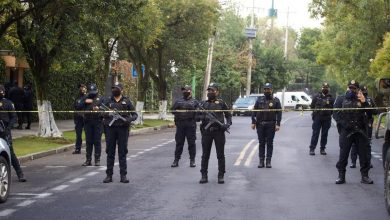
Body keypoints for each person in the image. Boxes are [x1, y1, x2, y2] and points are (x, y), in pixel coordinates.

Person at [333, 80, 373, 184]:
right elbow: (335, 114)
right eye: (350, 88)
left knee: (364, 155)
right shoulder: (341, 98)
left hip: (360, 130)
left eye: (354, 88)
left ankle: (365, 176)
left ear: (358, 89)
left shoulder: (362, 99)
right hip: (346, 131)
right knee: (343, 154)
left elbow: (370, 114)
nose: (351, 90)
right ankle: (341, 176)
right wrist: (344, 124)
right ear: (347, 88)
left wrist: (364, 102)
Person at [102, 83, 138, 183]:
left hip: (123, 129)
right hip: (110, 129)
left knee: (122, 152)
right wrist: (108, 113)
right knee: (110, 152)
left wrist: (129, 119)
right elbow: (101, 112)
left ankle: (123, 175)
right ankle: (109, 175)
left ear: (121, 90)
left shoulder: (127, 101)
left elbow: (135, 114)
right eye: (113, 88)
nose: (115, 90)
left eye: (117, 89)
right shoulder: (108, 100)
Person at [198, 83, 232, 184]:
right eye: (209, 90)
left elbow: (228, 115)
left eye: (212, 90)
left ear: (217, 92)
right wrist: (204, 117)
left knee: (220, 154)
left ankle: (221, 175)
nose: (210, 92)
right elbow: (197, 117)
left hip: (219, 132)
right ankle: (204, 175)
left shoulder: (221, 103)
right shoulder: (203, 104)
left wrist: (227, 124)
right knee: (205, 155)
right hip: (207, 132)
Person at [251, 83, 282, 168]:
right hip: (260, 124)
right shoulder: (259, 99)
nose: (266, 91)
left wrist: (278, 124)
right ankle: (261, 161)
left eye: (268, 89)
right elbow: (254, 111)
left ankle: (268, 161)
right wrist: (253, 122)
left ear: (271, 90)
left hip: (271, 124)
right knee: (261, 143)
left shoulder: (276, 100)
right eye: (265, 89)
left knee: (269, 143)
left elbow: (279, 113)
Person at [0, 85, 26, 182]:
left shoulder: (8, 103)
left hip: (5, 132)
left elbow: (14, 117)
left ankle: (20, 173)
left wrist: (8, 128)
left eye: (1, 91)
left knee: (10, 152)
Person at [171, 85, 199, 168]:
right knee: (179, 143)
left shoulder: (195, 102)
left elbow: (199, 113)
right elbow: (172, 110)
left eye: (186, 90)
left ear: (190, 91)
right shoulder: (178, 101)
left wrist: (195, 114)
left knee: (191, 143)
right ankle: (176, 160)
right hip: (180, 125)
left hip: (191, 125)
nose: (184, 92)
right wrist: (178, 112)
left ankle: (192, 160)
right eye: (183, 90)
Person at [350, 85, 376, 168]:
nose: (364, 93)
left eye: (365, 91)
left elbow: (375, 111)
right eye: (362, 91)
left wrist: (369, 108)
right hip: (358, 124)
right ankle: (353, 162)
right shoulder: (355, 99)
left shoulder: (370, 100)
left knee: (368, 143)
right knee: (355, 143)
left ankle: (368, 161)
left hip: (367, 124)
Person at [78, 83, 103, 166]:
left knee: (97, 141)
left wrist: (98, 108)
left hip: (97, 122)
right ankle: (88, 160)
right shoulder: (85, 97)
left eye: (94, 91)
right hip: (88, 122)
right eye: (91, 92)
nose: (93, 93)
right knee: (88, 141)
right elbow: (78, 106)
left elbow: (106, 109)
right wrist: (85, 99)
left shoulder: (101, 98)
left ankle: (97, 159)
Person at [309, 82, 334, 156]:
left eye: (326, 88)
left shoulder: (331, 97)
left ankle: (322, 149)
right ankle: (312, 149)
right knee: (315, 133)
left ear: (328, 89)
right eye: (324, 87)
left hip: (326, 118)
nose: (325, 89)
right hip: (318, 118)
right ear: (321, 88)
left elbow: (332, 108)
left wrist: (328, 113)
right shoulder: (316, 96)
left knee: (324, 134)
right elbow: (312, 106)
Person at [72, 84, 86, 154]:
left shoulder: (88, 96)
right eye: (81, 88)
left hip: (86, 117)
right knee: (78, 134)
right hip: (78, 118)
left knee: (88, 134)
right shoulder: (77, 97)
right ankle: (78, 149)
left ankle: (89, 149)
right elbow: (76, 106)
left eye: (83, 87)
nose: (82, 89)